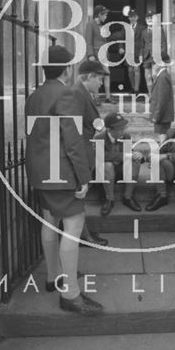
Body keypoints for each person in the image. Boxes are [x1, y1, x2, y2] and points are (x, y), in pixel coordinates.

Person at [25, 44, 103, 316]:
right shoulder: (66, 94)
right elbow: (72, 141)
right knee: (73, 224)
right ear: (68, 68)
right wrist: (84, 177)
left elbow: (36, 136)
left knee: (50, 221)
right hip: (61, 175)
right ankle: (69, 294)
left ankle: (52, 276)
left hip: (39, 172)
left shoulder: (35, 95)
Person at [56, 59, 110, 246]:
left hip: (85, 151)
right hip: (79, 155)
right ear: (90, 76)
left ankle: (82, 233)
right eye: (100, 79)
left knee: (79, 199)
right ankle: (81, 236)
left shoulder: (83, 93)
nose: (101, 84)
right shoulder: (77, 93)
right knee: (77, 199)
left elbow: (86, 121)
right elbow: (73, 133)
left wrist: (98, 127)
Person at [93, 112, 144, 216]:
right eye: (119, 129)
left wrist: (138, 155)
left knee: (135, 161)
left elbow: (130, 153)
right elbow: (102, 156)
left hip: (120, 170)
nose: (123, 131)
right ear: (109, 129)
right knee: (107, 164)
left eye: (123, 127)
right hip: (103, 174)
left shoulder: (125, 136)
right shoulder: (99, 138)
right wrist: (126, 155)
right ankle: (109, 199)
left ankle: (128, 197)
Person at [85, 4, 116, 104]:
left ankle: (108, 96)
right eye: (105, 15)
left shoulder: (104, 26)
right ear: (99, 14)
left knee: (107, 74)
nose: (106, 17)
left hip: (103, 55)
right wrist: (90, 55)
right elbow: (88, 41)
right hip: (94, 54)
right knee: (96, 76)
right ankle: (96, 98)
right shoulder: (90, 24)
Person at [140, 9, 167, 92]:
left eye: (151, 18)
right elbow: (142, 45)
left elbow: (163, 43)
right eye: (148, 18)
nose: (149, 20)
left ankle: (156, 96)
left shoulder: (159, 29)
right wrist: (140, 55)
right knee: (147, 77)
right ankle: (151, 97)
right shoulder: (143, 32)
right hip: (146, 57)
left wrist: (161, 54)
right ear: (145, 20)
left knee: (155, 75)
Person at [149, 55, 174, 137]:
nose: (153, 66)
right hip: (163, 116)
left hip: (162, 117)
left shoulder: (162, 77)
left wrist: (157, 116)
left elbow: (162, 99)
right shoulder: (161, 76)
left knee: (163, 138)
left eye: (155, 63)